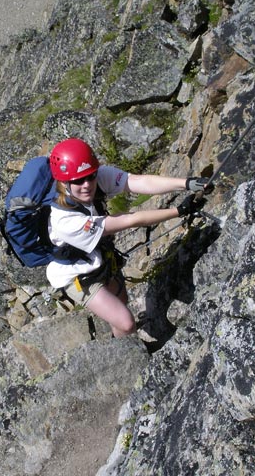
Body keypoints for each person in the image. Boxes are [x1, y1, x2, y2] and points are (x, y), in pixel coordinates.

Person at [47, 138, 211, 338]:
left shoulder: (97, 178)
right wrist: (178, 211)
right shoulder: (64, 221)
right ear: (64, 183)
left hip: (102, 259)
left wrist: (187, 183)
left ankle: (127, 348)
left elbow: (139, 182)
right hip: (78, 276)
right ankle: (133, 358)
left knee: (121, 304)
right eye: (78, 181)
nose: (87, 185)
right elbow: (129, 220)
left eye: (90, 176)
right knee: (125, 322)